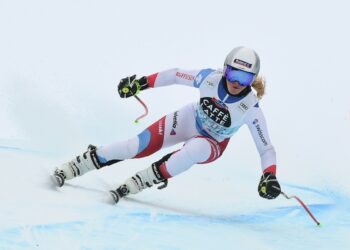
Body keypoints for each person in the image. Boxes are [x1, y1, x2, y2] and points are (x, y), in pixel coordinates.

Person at [52, 46, 281, 203]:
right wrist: (140, 84)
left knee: (195, 149)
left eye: (244, 79)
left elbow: (266, 149)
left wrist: (269, 175)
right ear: (225, 69)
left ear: (253, 80)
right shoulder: (209, 77)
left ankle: (145, 179)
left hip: (212, 144)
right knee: (135, 147)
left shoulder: (250, 108)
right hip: (190, 119)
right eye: (232, 74)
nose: (235, 83)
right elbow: (175, 75)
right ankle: (79, 164)